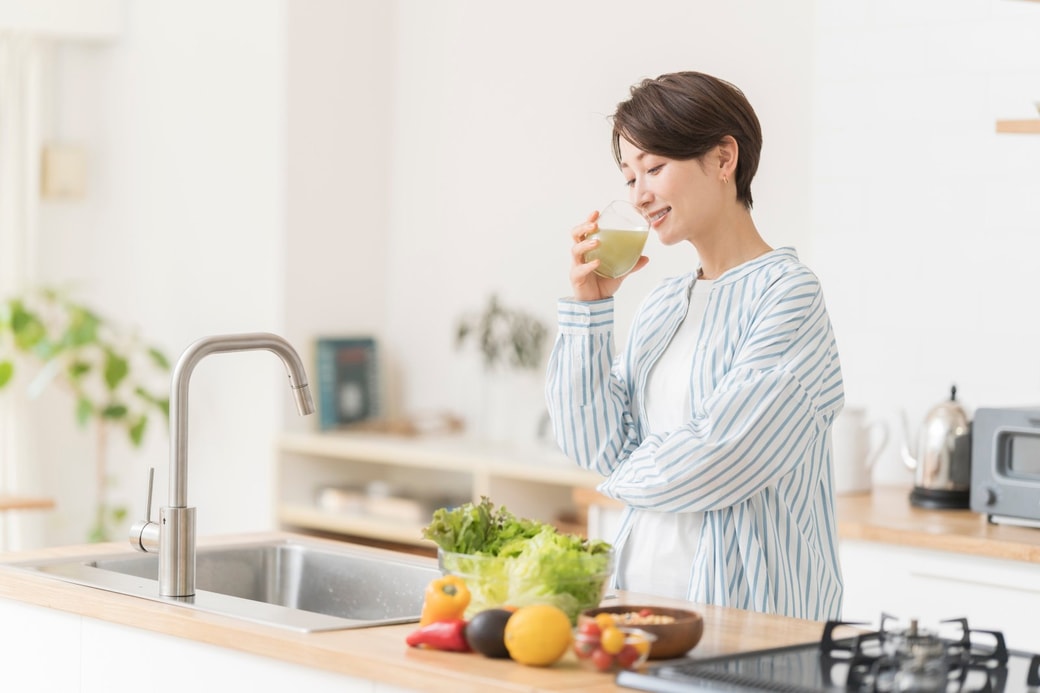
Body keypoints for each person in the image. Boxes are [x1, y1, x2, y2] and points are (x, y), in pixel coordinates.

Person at [545, 71, 845, 621]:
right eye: (629, 177)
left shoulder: (788, 295)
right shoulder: (662, 304)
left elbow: (725, 454)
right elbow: (594, 443)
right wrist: (589, 308)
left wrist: (619, 481)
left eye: (655, 169)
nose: (638, 196)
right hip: (644, 607)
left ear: (724, 158)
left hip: (752, 621)